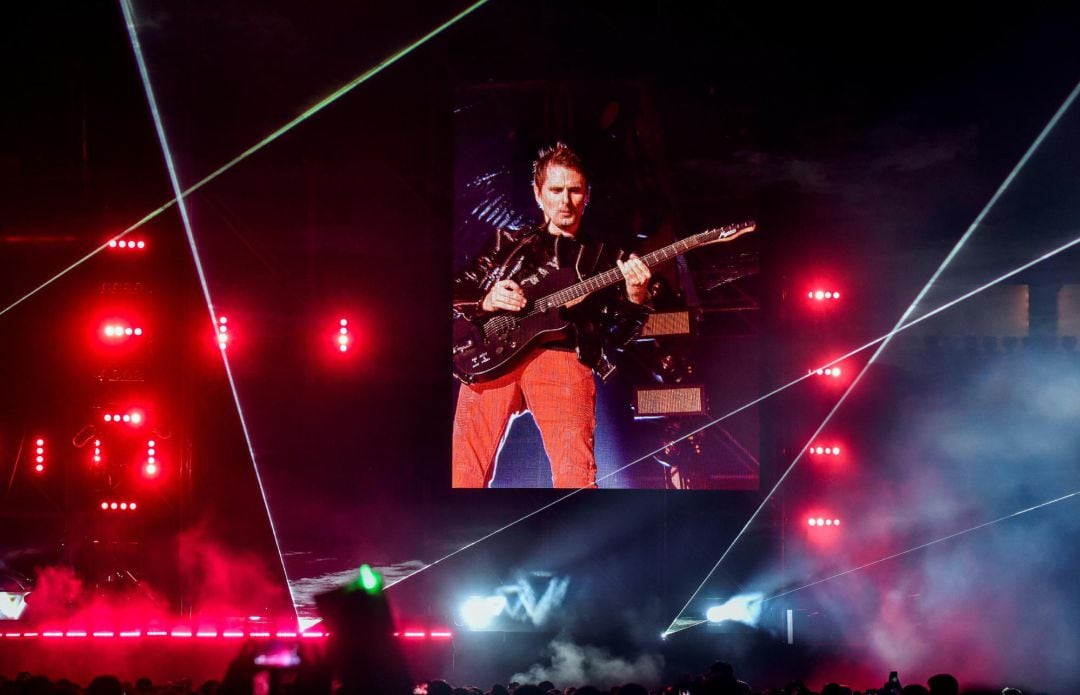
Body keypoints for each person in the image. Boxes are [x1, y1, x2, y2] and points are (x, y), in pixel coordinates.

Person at [452, 143, 651, 488]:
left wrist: (636, 298)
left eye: (574, 191)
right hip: (492, 356)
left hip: (562, 358)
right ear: (538, 193)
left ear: (587, 195)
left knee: (575, 476)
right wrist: (486, 298)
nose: (566, 201)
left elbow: (618, 337)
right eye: (556, 190)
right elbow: (455, 292)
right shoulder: (505, 242)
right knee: (464, 475)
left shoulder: (606, 257)